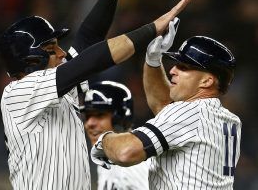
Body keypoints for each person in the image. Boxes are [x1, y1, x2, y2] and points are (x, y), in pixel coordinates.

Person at [0, 0, 192, 188]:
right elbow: (92, 60)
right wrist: (152, 29)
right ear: (30, 59)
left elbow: (88, 38)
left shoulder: (54, 85)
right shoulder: (18, 94)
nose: (61, 53)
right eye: (51, 49)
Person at [90, 19, 242, 189]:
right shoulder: (228, 119)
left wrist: (103, 139)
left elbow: (126, 152)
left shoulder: (190, 113)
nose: (172, 70)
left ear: (207, 81)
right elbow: (165, 109)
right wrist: (153, 60)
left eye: (184, 67)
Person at [82, 80, 149, 190]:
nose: (89, 124)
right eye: (88, 117)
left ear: (120, 120)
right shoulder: (106, 157)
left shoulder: (135, 164)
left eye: (99, 115)